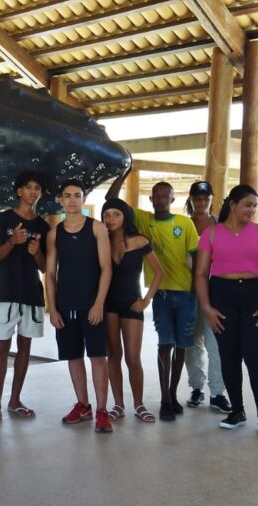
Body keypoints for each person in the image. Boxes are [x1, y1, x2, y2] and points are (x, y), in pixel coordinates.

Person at [107, 168, 198, 421]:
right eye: (155, 196)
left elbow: (197, 256)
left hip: (181, 294)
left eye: (164, 196)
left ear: (172, 199)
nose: (160, 200)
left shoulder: (183, 223)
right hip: (155, 298)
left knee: (179, 347)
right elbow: (112, 200)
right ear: (150, 199)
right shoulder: (141, 220)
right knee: (159, 346)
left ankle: (166, 396)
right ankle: (152, 401)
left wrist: (197, 289)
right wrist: (123, 173)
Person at [195, 184, 258, 438]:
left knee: (257, 359)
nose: (252, 210)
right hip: (222, 296)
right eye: (247, 205)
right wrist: (206, 307)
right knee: (229, 356)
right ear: (232, 205)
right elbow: (200, 274)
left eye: (255, 205)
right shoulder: (211, 234)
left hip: (256, 295)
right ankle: (237, 411)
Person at [0, 171, 50, 428]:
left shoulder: (43, 225)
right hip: (6, 292)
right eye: (28, 187)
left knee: (25, 348)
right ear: (19, 191)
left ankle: (15, 400)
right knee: (1, 348)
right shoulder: (4, 218)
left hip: (32, 294)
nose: (33, 191)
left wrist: (36, 251)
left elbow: (44, 267)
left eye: (37, 187)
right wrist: (13, 241)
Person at [46, 179, 113, 433]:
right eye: (67, 196)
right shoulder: (55, 233)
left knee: (98, 357)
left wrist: (98, 303)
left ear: (83, 199)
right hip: (65, 306)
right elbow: (50, 274)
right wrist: (52, 308)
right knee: (73, 357)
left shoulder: (97, 228)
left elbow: (107, 269)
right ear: (60, 200)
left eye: (77, 195)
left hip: (91, 305)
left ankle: (101, 411)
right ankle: (83, 405)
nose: (73, 200)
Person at [101, 198, 162, 423]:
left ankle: (139, 404)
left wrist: (146, 300)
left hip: (131, 303)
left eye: (116, 214)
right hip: (108, 305)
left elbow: (158, 272)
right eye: (107, 215)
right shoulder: (103, 241)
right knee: (113, 356)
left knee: (133, 358)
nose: (111, 219)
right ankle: (118, 404)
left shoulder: (139, 241)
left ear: (125, 216)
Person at [183, 181, 231, 413]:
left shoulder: (221, 227)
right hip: (187, 294)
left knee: (216, 344)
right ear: (191, 200)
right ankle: (196, 387)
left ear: (212, 200)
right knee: (191, 344)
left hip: (215, 294)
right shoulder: (183, 224)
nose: (201, 202)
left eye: (205, 198)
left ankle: (217, 392)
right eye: (197, 198)